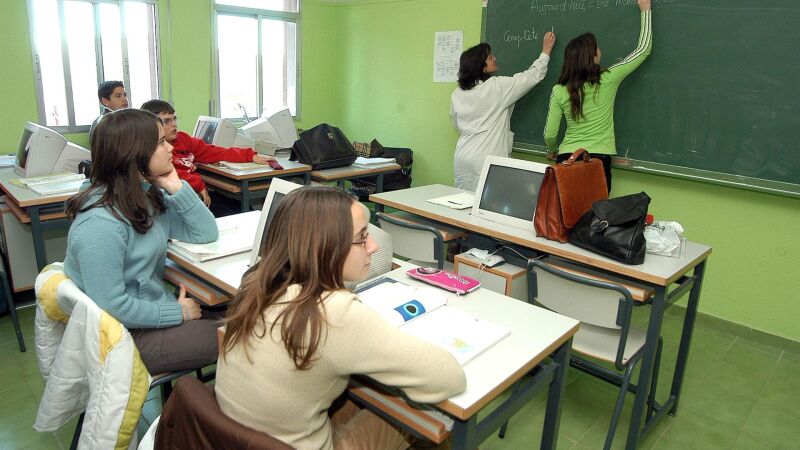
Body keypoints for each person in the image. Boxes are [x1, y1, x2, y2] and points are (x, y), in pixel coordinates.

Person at [215, 187, 466, 449]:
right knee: (427, 420)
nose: (374, 246)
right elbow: (450, 377)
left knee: (364, 399)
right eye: (362, 238)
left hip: (239, 438)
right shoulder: (332, 312)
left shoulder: (256, 283)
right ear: (325, 247)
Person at [64, 108, 221, 374]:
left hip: (152, 312)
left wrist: (176, 187)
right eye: (160, 143)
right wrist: (179, 313)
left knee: (245, 315)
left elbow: (205, 232)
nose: (171, 148)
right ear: (133, 154)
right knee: (243, 333)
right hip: (125, 337)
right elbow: (112, 306)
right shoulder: (100, 224)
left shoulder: (142, 196)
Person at [544, 0, 652, 193]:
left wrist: (551, 150)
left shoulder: (558, 90)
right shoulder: (607, 79)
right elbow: (643, 50)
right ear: (592, 56)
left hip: (566, 159)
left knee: (564, 210)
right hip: (597, 161)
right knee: (596, 211)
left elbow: (550, 134)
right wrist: (646, 11)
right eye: (597, 48)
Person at [451, 31, 557, 191]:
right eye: (490, 57)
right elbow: (531, 76)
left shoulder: (457, 93)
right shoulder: (496, 87)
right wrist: (546, 50)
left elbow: (456, 124)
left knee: (462, 200)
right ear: (481, 67)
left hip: (463, 156)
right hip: (486, 158)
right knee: (490, 202)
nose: (494, 58)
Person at [140, 100, 275, 209]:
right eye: (167, 121)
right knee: (231, 213)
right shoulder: (152, 150)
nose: (174, 124)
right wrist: (198, 185)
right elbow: (174, 174)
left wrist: (250, 156)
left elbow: (214, 152)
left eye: (174, 119)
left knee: (242, 208)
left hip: (198, 194)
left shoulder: (183, 139)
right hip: (179, 200)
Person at [89, 80, 128, 145]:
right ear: (105, 101)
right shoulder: (106, 121)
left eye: (125, 95)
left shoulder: (116, 118)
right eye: (118, 96)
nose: (124, 99)